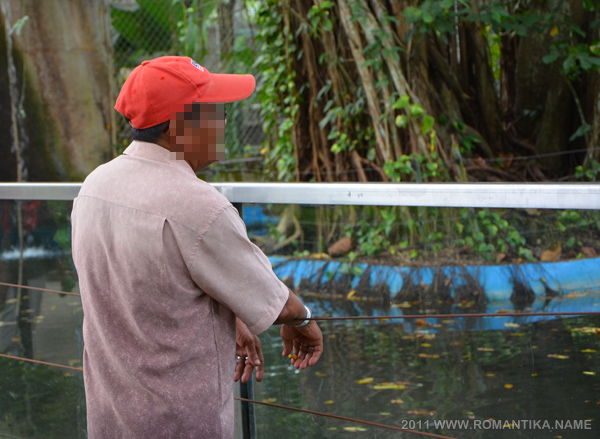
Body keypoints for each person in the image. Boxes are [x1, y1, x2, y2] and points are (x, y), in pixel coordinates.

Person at [71, 56, 323, 439]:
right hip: (181, 424)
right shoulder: (199, 206)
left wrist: (231, 313)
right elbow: (275, 301)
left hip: (110, 421)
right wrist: (303, 321)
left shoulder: (93, 188)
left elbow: (151, 286)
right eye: (213, 112)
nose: (222, 123)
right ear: (177, 126)